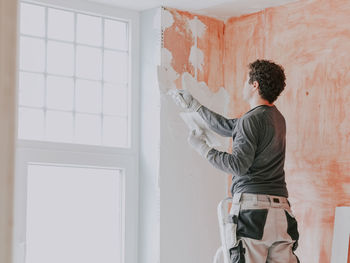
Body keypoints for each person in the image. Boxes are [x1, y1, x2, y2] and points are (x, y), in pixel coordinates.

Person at [171, 59, 300, 263]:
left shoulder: (251, 120)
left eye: (245, 80)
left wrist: (203, 148)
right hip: (281, 214)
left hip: (254, 214)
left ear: (254, 84)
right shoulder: (277, 118)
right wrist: (196, 107)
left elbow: (237, 166)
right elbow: (229, 127)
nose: (243, 84)